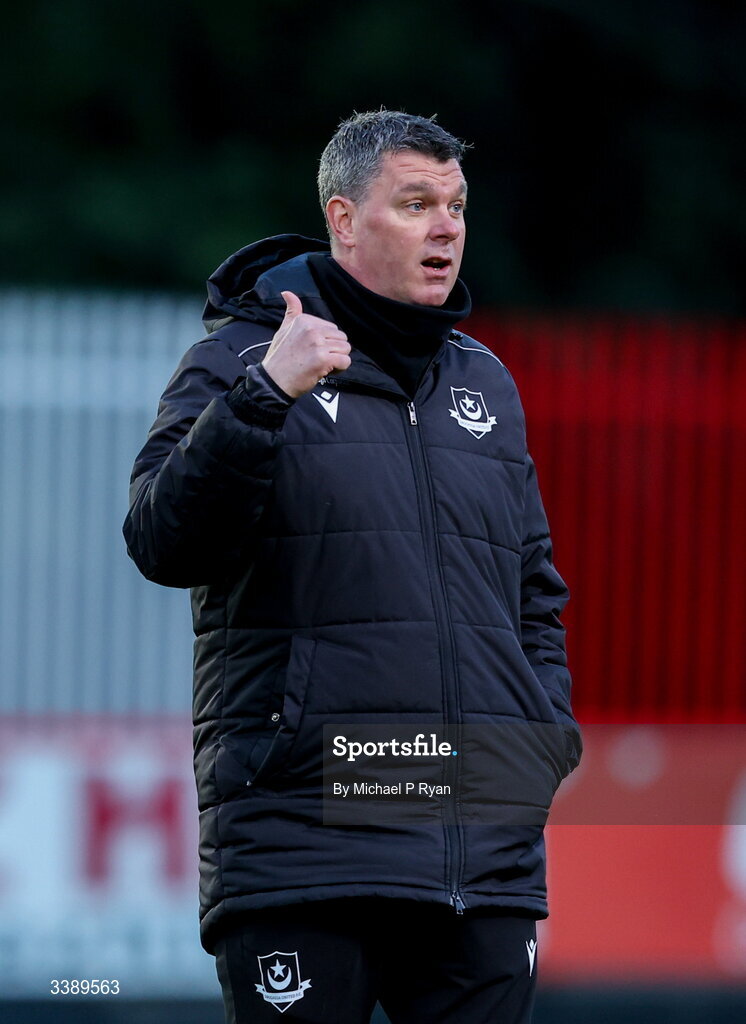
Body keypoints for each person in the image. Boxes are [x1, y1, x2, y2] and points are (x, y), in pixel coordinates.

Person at [123, 110, 581, 1024]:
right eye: (415, 203)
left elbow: (533, 589)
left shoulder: (484, 380)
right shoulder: (240, 360)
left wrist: (541, 738)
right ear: (342, 218)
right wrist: (262, 399)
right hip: (309, 828)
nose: (446, 226)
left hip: (478, 837)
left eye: (454, 205)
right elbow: (161, 542)